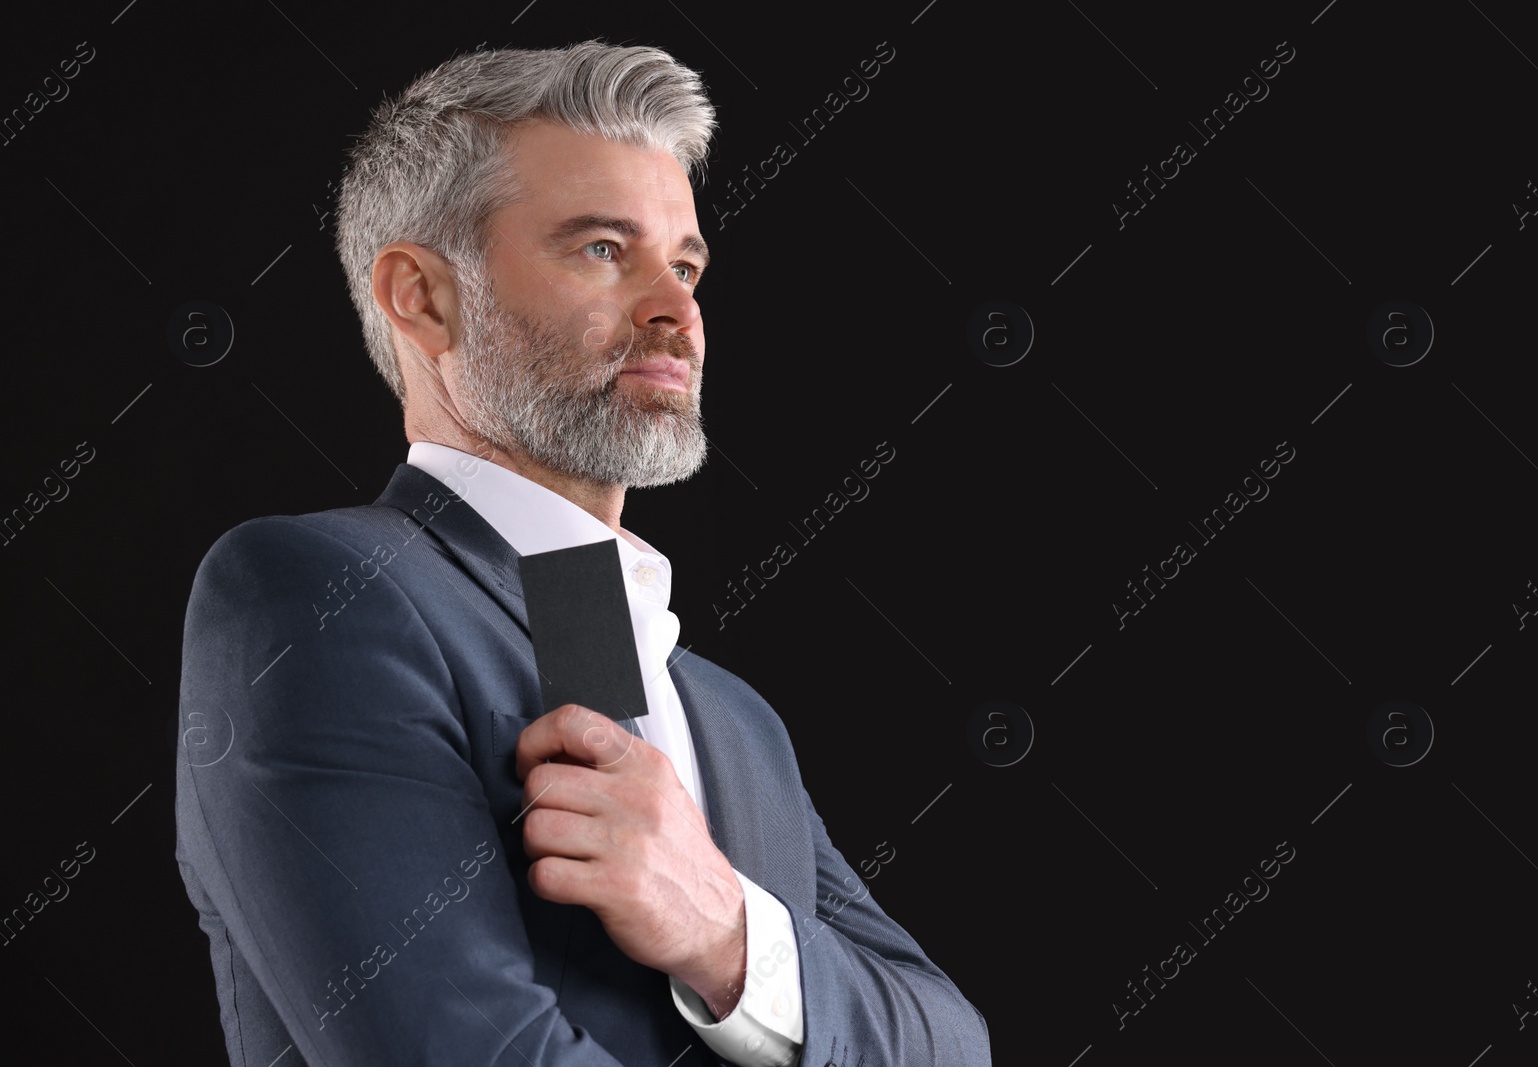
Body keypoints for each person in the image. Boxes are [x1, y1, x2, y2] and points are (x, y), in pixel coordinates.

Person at [175, 41, 990, 1067]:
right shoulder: (317, 598)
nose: (677, 311)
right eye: (603, 248)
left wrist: (724, 931)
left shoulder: (731, 715)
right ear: (421, 297)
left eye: (684, 263)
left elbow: (952, 1041)